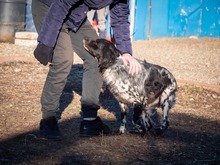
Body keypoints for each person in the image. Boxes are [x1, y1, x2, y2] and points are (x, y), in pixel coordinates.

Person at [32, 0, 142, 140]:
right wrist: (46, 42)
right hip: (49, 6)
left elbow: (120, 18)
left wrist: (126, 52)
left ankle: (90, 121)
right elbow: (61, 4)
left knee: (98, 57)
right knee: (63, 59)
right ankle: (48, 119)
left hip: (75, 13)